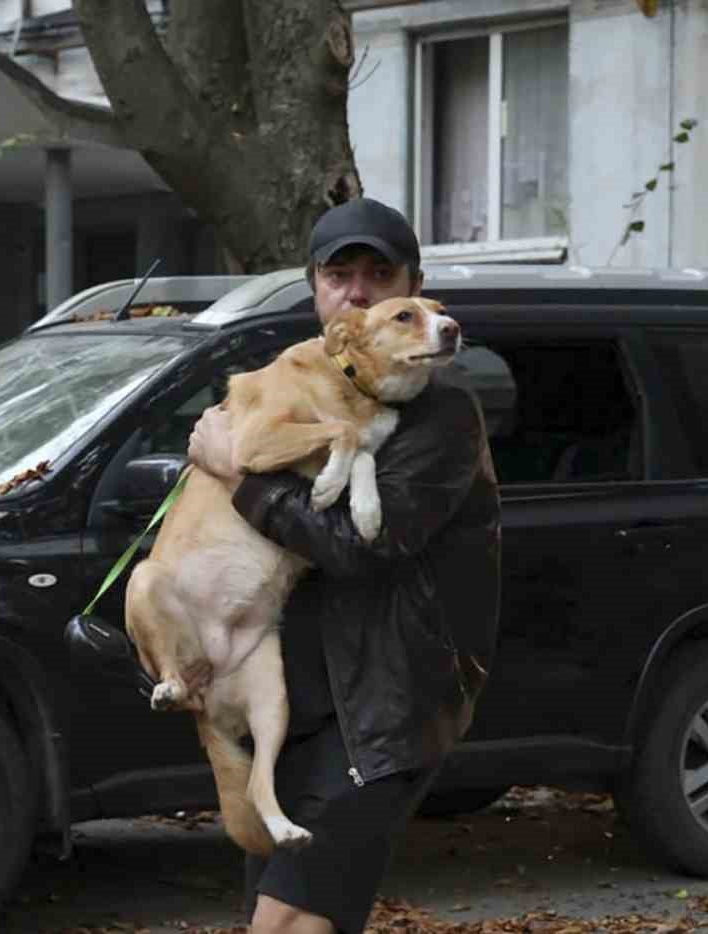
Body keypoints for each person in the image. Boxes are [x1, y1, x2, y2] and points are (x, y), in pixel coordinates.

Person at [186, 198, 501, 934]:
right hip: (295, 709)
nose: (358, 290)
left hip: (383, 712)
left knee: (289, 921)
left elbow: (362, 546)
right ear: (318, 292)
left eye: (379, 274)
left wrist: (241, 478)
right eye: (339, 275)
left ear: (413, 286)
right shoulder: (300, 390)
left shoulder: (443, 413)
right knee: (293, 915)